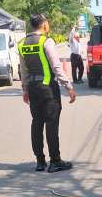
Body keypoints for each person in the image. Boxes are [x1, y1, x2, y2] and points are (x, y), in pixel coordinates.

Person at [19, 14, 77, 173]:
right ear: (44, 25)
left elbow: (23, 71)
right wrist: (68, 87)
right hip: (47, 88)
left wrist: (25, 90)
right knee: (51, 124)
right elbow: (56, 67)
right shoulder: (47, 41)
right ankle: (55, 161)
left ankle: (40, 162)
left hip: (32, 88)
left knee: (36, 123)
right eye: (47, 23)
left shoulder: (22, 43)